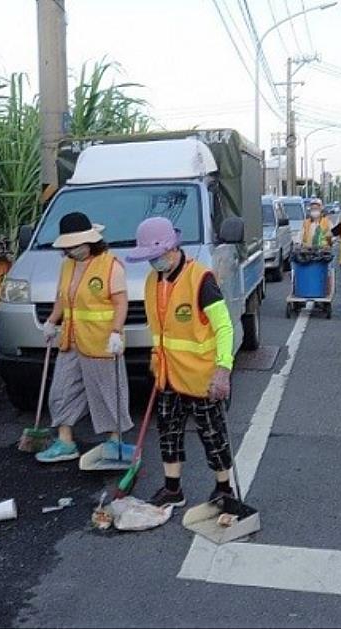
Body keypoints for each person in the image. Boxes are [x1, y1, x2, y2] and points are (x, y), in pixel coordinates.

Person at [126, 217, 235, 508]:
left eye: (155, 256)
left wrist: (223, 370)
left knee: (212, 435)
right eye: (148, 258)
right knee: (168, 431)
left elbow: (224, 327)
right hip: (168, 374)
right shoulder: (153, 281)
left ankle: (224, 489)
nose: (152, 263)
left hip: (202, 377)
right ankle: (173, 488)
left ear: (172, 249)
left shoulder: (201, 279)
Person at [35, 212, 134, 463]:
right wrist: (51, 322)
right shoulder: (67, 266)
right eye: (68, 246)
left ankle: (115, 440)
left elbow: (121, 302)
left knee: (108, 391)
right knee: (62, 389)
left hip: (102, 341)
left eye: (76, 244)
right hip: (71, 339)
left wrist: (115, 332)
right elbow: (62, 298)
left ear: (90, 241)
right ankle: (65, 441)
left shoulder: (110, 265)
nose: (72, 250)